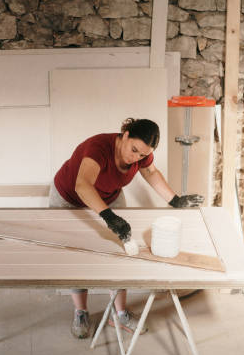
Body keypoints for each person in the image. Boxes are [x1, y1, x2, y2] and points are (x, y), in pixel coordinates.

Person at [49, 118, 203, 339]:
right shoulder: (98, 148)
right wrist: (109, 217)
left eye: (141, 155)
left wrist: (175, 200)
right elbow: (82, 186)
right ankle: (81, 311)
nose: (135, 158)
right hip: (70, 198)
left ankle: (119, 313)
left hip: (108, 197)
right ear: (125, 134)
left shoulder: (142, 154)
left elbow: (150, 173)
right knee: (77, 253)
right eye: (133, 150)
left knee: (122, 251)